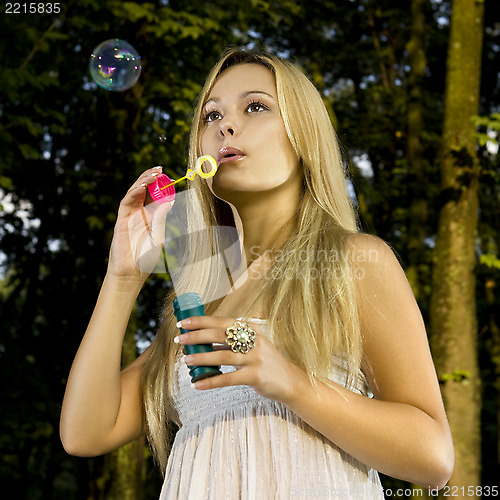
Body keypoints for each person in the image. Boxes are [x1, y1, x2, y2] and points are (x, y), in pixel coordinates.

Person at [60, 48, 454, 499]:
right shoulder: (198, 308)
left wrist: (290, 382)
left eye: (255, 106)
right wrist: (122, 277)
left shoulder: (353, 263)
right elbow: (85, 432)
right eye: (211, 115)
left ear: (303, 137)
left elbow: (433, 457)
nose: (225, 125)